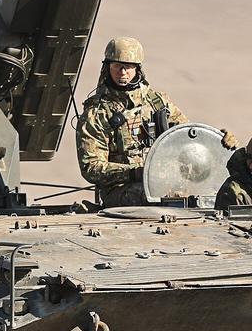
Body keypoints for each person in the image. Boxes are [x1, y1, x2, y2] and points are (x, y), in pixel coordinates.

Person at [76, 37, 237, 207]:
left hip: (166, 183)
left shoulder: (158, 102)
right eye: (117, 66)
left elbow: (187, 140)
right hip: (120, 190)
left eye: (128, 66)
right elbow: (91, 167)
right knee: (159, 197)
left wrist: (219, 143)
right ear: (107, 67)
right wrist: (136, 173)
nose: (122, 72)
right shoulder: (96, 114)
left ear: (137, 68)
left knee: (213, 195)